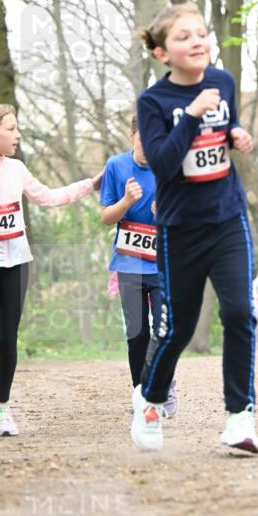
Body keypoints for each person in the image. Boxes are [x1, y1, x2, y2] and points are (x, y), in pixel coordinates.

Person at [135, 1, 258, 454]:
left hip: (227, 218)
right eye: (184, 37)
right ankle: (149, 401)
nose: (197, 42)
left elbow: (228, 129)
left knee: (240, 313)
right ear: (163, 53)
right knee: (177, 329)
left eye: (201, 33)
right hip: (178, 227)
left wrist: (238, 135)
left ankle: (240, 417)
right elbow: (164, 167)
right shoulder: (153, 102)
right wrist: (190, 116)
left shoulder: (222, 81)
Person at [0, 103, 102, 436]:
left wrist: (90, 184)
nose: (17, 135)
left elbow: (49, 198)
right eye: (11, 129)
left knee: (7, 338)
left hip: (15, 262)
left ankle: (2, 410)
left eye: (18, 128)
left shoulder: (17, 169)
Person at [99, 116, 177, 416]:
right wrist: (126, 202)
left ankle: (164, 385)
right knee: (137, 334)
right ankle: (140, 393)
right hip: (129, 263)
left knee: (163, 331)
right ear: (132, 135)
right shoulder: (116, 166)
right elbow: (106, 216)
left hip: (163, 265)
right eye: (143, 138)